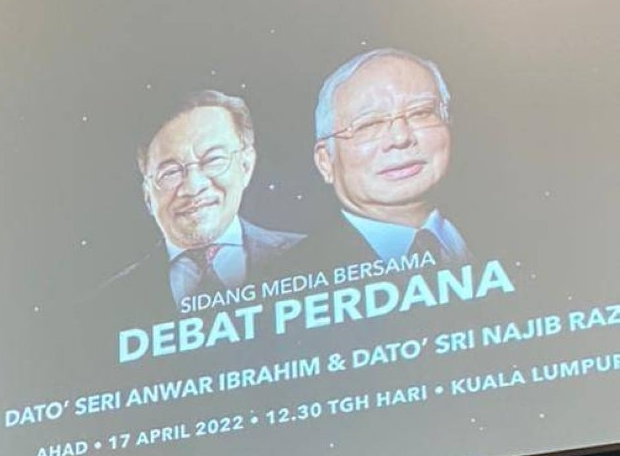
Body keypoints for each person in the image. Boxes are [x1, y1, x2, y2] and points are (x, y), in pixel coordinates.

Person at [106, 90, 304, 315]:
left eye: (213, 160)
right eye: (170, 172)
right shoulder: (107, 303)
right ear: (147, 196)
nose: (193, 187)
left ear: (246, 166)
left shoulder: (311, 255)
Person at [295, 48, 470, 272]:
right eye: (368, 125)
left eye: (420, 113)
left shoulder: (515, 236)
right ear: (325, 161)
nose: (400, 138)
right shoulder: (289, 274)